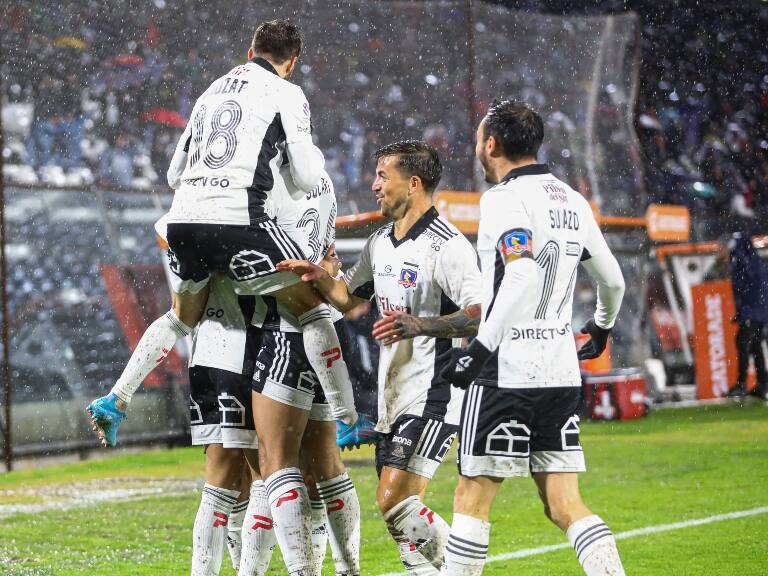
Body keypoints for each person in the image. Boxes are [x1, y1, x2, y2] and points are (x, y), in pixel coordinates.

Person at [86, 19, 357, 448]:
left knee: (181, 317)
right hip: (238, 219)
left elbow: (173, 173)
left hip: (182, 221)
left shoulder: (210, 92)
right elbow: (307, 177)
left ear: (250, 52)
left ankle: (116, 399)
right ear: (291, 63)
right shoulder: (287, 92)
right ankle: (346, 419)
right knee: (314, 307)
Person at [438, 99, 627, 576]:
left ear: (491, 144)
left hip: (506, 370)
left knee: (471, 498)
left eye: (479, 140)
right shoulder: (573, 200)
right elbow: (613, 280)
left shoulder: (503, 198)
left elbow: (519, 274)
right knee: (564, 504)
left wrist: (479, 349)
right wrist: (602, 325)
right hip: (560, 372)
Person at [278, 140, 482, 574]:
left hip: (434, 393)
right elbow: (347, 298)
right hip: (393, 396)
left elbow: (478, 314)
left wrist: (419, 324)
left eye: (383, 176)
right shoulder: (379, 243)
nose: (374, 185)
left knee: (394, 501)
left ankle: (464, 569)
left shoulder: (448, 245)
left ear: (413, 183)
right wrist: (320, 277)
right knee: (400, 521)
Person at [247, 169, 362, 576]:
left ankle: (301, 571)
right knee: (325, 462)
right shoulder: (322, 179)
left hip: (288, 326)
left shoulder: (263, 181)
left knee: (275, 462)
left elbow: (257, 257)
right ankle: (348, 569)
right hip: (330, 326)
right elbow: (328, 251)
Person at [725, 233, 768, 400]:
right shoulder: (755, 261)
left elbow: (744, 289)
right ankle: (762, 384)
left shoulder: (742, 260)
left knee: (742, 343)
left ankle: (741, 384)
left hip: (752, 312)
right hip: (759, 312)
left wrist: (745, 312)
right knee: (755, 346)